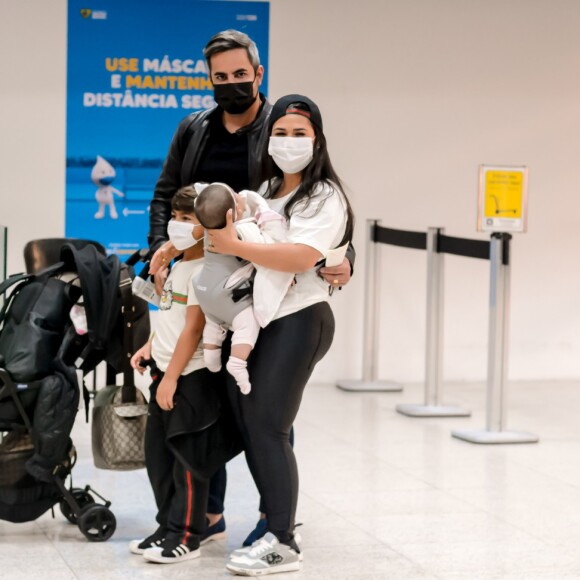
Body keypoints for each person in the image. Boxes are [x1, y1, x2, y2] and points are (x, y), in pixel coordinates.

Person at [148, 29, 354, 546]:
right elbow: (166, 194)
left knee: (267, 411)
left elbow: (311, 216)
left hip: (274, 294)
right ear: (210, 80)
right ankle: (207, 515)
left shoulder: (281, 133)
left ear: (258, 74)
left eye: (241, 74)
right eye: (221, 77)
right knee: (211, 399)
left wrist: (345, 256)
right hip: (203, 282)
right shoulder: (194, 129)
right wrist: (164, 250)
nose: (232, 84)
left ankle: (273, 520)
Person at [206, 94, 355, 576]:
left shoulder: (324, 194)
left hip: (300, 319)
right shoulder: (268, 188)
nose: (289, 143)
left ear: (318, 140)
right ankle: (273, 522)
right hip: (261, 318)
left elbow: (298, 257)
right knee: (254, 426)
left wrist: (232, 243)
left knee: (269, 426)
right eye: (281, 133)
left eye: (300, 134)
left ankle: (283, 540)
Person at [128, 186, 240, 564]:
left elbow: (193, 331)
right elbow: (170, 319)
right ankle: (168, 525)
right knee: (158, 459)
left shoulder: (206, 270)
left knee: (188, 463)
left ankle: (189, 535)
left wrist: (172, 378)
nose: (177, 225)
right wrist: (149, 347)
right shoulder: (178, 266)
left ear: (207, 225)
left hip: (188, 379)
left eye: (188, 219)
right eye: (175, 217)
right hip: (165, 373)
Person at [193, 182, 293, 394]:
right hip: (228, 295)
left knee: (213, 322)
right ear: (233, 213)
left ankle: (211, 354)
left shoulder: (207, 232)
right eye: (237, 199)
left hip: (204, 291)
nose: (242, 198)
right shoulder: (243, 229)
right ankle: (237, 363)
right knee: (248, 322)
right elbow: (269, 251)